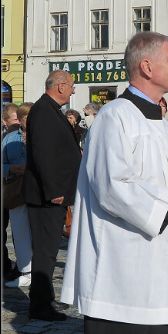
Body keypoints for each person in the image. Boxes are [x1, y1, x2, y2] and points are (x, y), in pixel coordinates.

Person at [61, 32, 168, 333]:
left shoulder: (164, 127)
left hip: (167, 264)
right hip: (126, 268)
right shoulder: (114, 117)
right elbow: (112, 185)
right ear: (147, 67)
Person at [23, 70, 81, 321]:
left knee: (48, 251)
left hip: (53, 194)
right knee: (46, 252)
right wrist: (54, 190)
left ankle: (43, 300)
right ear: (60, 86)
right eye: (71, 86)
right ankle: (40, 305)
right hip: (48, 196)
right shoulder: (43, 111)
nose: (74, 90)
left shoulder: (49, 109)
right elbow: (43, 155)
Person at [2, 104, 33, 288]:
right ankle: (26, 270)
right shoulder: (9, 139)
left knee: (39, 232)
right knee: (20, 232)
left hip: (39, 189)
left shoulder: (42, 136)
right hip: (16, 190)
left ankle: (41, 270)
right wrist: (12, 168)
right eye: (24, 118)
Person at [2, 103, 21, 281]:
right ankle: (5, 267)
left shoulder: (22, 136)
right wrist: (10, 168)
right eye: (15, 119)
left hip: (16, 193)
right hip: (6, 190)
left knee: (18, 230)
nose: (18, 122)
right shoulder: (5, 138)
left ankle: (20, 265)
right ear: (5, 121)